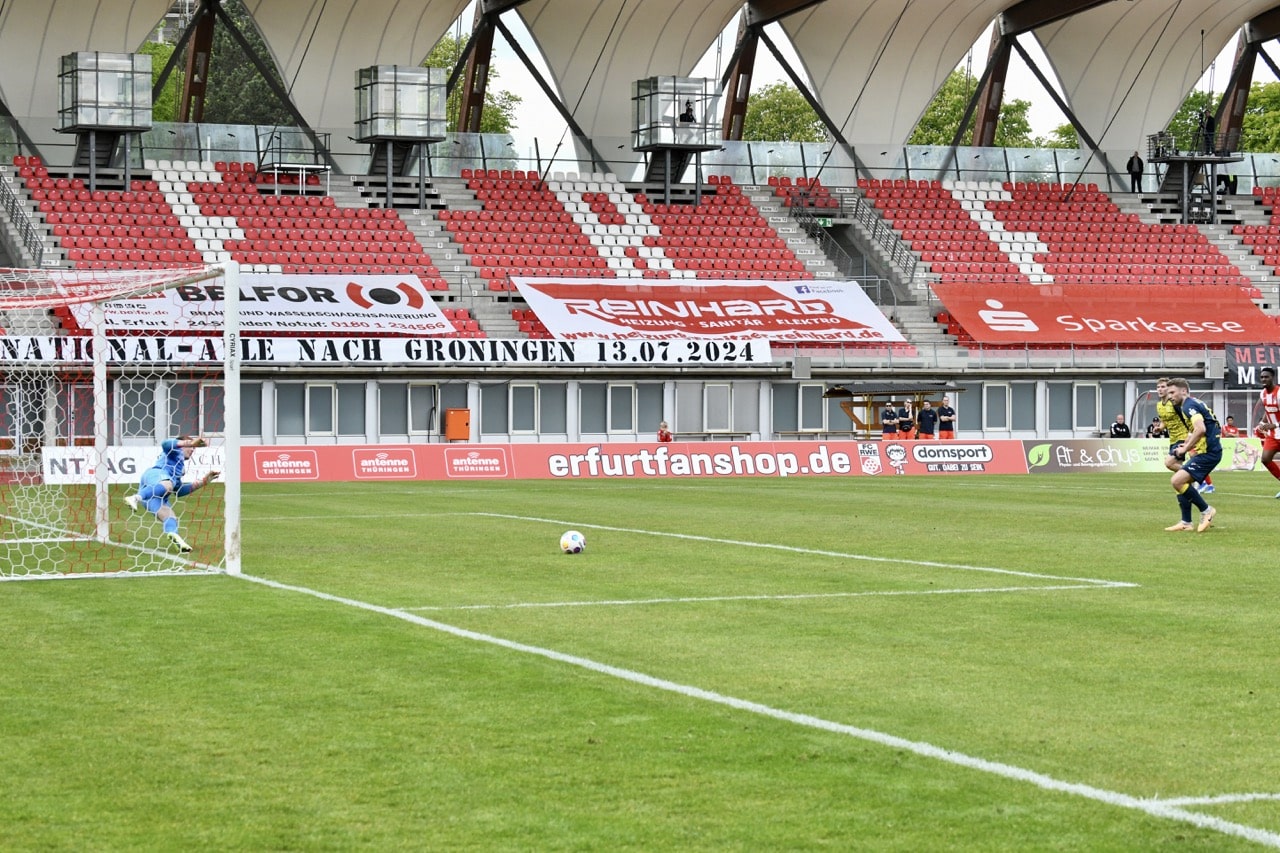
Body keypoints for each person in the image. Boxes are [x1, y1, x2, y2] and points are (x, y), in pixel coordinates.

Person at [124, 435, 220, 553]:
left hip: (153, 495)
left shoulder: (179, 468)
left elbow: (179, 491)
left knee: (170, 517)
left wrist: (204, 481)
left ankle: (177, 540)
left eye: (194, 448)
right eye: (190, 447)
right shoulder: (174, 452)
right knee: (167, 485)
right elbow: (165, 444)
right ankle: (134, 498)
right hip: (155, 474)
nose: (192, 449)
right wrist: (188, 442)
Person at [1163, 378, 1220, 532]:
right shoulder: (1191, 404)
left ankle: (1206, 510)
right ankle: (1186, 522)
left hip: (1208, 453)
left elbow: (1200, 429)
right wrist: (1187, 442)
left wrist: (1185, 448)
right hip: (1206, 451)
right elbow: (1197, 428)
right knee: (1179, 481)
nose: (1170, 396)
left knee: (1177, 481)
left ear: (1184, 391)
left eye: (1172, 392)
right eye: (1169, 393)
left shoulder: (1189, 405)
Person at [1155, 376, 1213, 494]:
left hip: (1184, 436)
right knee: (1182, 463)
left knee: (1170, 463)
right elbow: (1164, 420)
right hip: (1173, 438)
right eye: (1158, 387)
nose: (1160, 389)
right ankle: (1194, 486)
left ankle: (1199, 482)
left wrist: (1191, 434)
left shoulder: (1176, 404)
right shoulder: (1159, 405)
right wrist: (1160, 428)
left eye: (1163, 387)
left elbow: (1187, 417)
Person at [1256, 366, 1280, 497]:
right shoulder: (1263, 394)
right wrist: (1262, 423)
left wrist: (1275, 425)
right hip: (1273, 435)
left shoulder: (1279, 393)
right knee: (1265, 459)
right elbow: (1268, 410)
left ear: (1272, 378)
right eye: (1262, 377)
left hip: (1277, 429)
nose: (1264, 379)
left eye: (1266, 377)